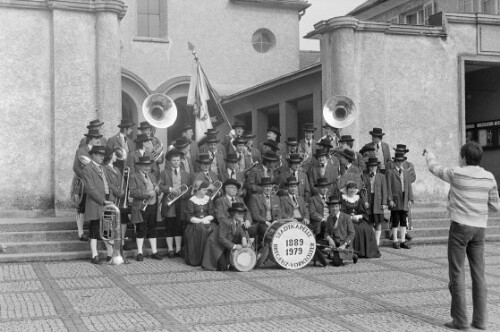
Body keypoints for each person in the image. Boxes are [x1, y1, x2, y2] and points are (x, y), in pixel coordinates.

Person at [425, 142, 499, 330]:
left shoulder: (457, 173)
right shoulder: (489, 177)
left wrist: (429, 154)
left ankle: (460, 320)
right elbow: (495, 206)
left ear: (464, 158)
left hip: (459, 227)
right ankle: (480, 321)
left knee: (457, 273)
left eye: (460, 155)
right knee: (479, 274)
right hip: (479, 229)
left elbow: (435, 169)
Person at [81, 145, 114, 264]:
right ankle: (94, 254)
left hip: (106, 200)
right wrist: (103, 200)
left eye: (103, 155)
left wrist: (110, 198)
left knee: (107, 228)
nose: (102, 157)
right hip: (95, 202)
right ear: (93, 155)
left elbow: (108, 185)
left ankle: (110, 253)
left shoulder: (104, 168)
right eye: (99, 154)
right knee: (94, 228)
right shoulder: (87, 169)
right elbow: (90, 188)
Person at [159, 149, 192, 258]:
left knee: (178, 226)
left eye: (178, 160)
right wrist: (170, 189)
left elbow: (189, 188)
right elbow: (160, 186)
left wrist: (184, 195)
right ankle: (170, 250)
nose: (176, 162)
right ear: (169, 161)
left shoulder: (186, 174)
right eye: (174, 160)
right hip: (169, 203)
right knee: (169, 226)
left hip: (182, 203)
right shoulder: (164, 172)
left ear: (181, 161)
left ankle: (178, 249)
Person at [128, 156, 162, 261]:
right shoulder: (134, 176)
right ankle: (139, 252)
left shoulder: (152, 176)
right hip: (141, 207)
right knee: (141, 228)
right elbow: (132, 192)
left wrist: (157, 190)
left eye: (149, 165)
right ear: (139, 166)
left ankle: (154, 252)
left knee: (153, 228)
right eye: (145, 165)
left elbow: (158, 192)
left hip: (153, 206)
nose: (147, 167)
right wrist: (146, 194)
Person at [202, 202, 251, 271]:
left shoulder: (238, 221)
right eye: (239, 213)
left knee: (230, 266)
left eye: (242, 213)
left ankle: (229, 260)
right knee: (223, 268)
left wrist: (244, 237)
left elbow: (241, 231)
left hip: (225, 245)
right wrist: (235, 246)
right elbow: (221, 238)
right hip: (216, 245)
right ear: (233, 213)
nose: (242, 215)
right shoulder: (226, 222)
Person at [73, 128, 102, 242]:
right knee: (82, 208)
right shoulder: (81, 151)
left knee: (96, 207)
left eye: (99, 138)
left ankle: (95, 232)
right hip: (84, 184)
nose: (98, 140)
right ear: (90, 139)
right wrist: (86, 176)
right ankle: (81, 233)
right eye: (96, 138)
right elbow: (75, 167)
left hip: (97, 184)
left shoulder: (99, 151)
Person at [340, 181, 380, 258]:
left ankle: (366, 252)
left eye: (354, 188)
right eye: (350, 188)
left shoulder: (359, 199)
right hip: (347, 220)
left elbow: (363, 212)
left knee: (367, 229)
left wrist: (358, 216)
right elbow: (342, 212)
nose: (352, 190)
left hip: (358, 219)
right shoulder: (343, 200)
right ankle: (355, 252)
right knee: (355, 229)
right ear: (347, 189)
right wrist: (350, 217)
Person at [184, 180, 216, 266]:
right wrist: (200, 221)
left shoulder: (208, 199)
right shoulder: (191, 200)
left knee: (213, 229)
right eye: (204, 190)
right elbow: (189, 216)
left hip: (207, 221)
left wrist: (206, 219)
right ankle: (197, 259)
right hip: (195, 223)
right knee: (200, 230)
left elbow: (212, 213)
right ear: (197, 190)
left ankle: (210, 260)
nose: (206, 191)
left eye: (206, 190)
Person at [387, 152, 413, 249]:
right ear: (395, 161)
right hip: (395, 198)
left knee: (403, 220)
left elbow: (409, 186)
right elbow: (388, 187)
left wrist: (410, 198)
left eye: (402, 161)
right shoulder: (391, 172)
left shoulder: (405, 172)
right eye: (398, 161)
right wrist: (390, 199)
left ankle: (403, 240)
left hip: (404, 197)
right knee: (395, 220)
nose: (400, 163)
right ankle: (395, 240)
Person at [322, 197, 357, 266]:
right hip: (334, 243)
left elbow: (352, 233)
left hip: (343, 243)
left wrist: (344, 245)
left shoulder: (346, 217)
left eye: (336, 206)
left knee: (336, 263)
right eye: (332, 207)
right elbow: (326, 232)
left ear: (340, 207)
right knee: (320, 245)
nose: (334, 209)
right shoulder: (329, 218)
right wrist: (329, 239)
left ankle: (353, 255)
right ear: (329, 208)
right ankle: (333, 254)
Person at [362, 157, 388, 246]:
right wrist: (364, 201)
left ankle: (376, 241)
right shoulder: (364, 176)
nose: (373, 168)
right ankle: (371, 240)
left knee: (378, 221)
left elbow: (384, 190)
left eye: (375, 166)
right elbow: (362, 190)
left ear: (377, 167)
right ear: (368, 167)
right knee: (369, 221)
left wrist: (384, 202)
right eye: (371, 166)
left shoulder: (381, 176)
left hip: (378, 200)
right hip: (369, 200)